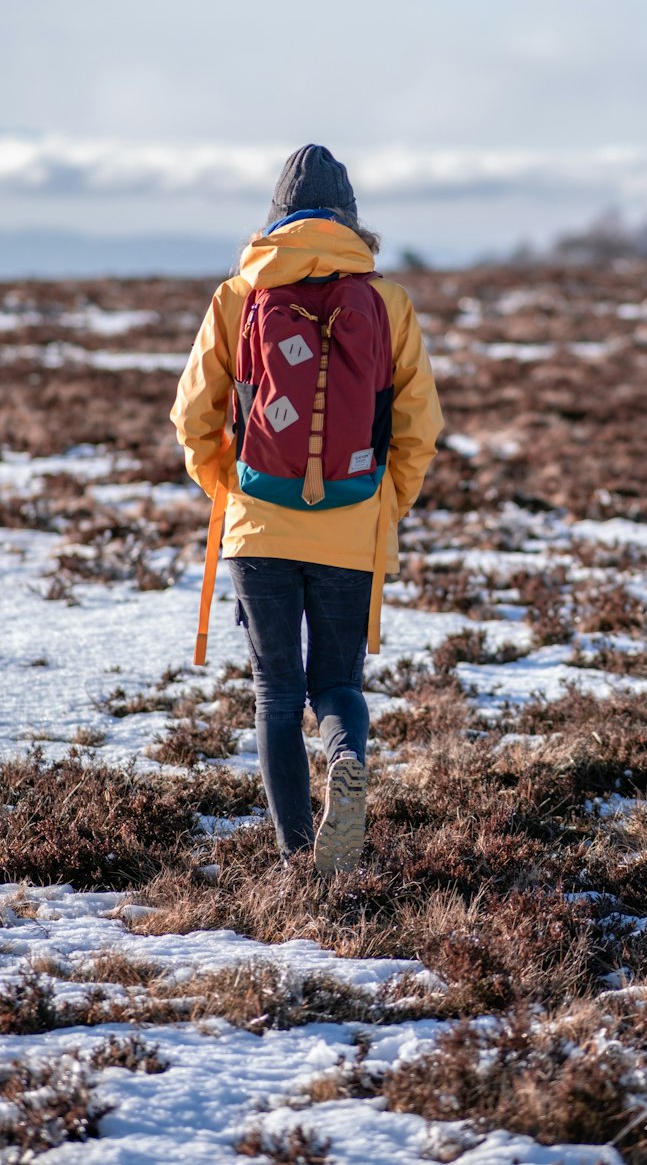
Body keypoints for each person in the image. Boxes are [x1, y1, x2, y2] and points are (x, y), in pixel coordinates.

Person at [170, 144, 442, 874]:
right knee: (337, 685)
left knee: (276, 691)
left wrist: (230, 490)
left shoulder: (240, 295)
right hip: (352, 524)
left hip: (258, 520)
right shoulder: (386, 302)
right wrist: (384, 504)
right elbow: (419, 426)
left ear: (277, 217)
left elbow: (192, 416)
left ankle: (296, 858)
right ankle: (347, 763)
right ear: (350, 221)